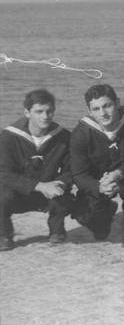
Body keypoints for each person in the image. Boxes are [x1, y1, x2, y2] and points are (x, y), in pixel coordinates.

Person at [71, 84, 124, 248]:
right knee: (85, 216)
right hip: (100, 181)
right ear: (89, 111)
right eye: (96, 109)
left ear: (117, 102)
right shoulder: (81, 133)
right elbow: (79, 175)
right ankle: (106, 211)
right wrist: (99, 187)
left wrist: (119, 173)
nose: (103, 113)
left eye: (107, 106)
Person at [0, 89, 73, 251]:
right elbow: (3, 173)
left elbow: (71, 169)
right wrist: (38, 186)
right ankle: (4, 234)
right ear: (27, 112)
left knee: (63, 191)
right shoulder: (8, 136)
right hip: (18, 193)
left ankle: (57, 230)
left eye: (49, 111)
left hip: (49, 194)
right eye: (39, 111)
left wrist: (60, 183)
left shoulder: (64, 136)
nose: (45, 116)